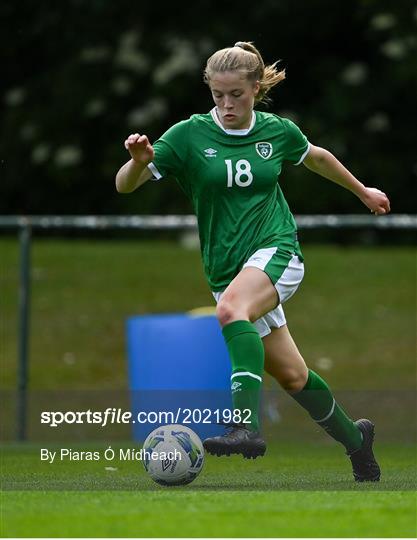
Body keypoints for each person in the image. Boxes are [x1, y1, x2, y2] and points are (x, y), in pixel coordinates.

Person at [115, 41, 390, 482]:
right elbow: (125, 186)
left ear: (256, 88)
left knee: (230, 311)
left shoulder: (277, 132)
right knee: (293, 377)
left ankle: (245, 426)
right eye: (217, 95)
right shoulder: (187, 135)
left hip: (277, 249)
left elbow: (316, 157)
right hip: (226, 269)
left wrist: (363, 192)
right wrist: (137, 162)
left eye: (236, 95)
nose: (226, 105)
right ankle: (358, 442)